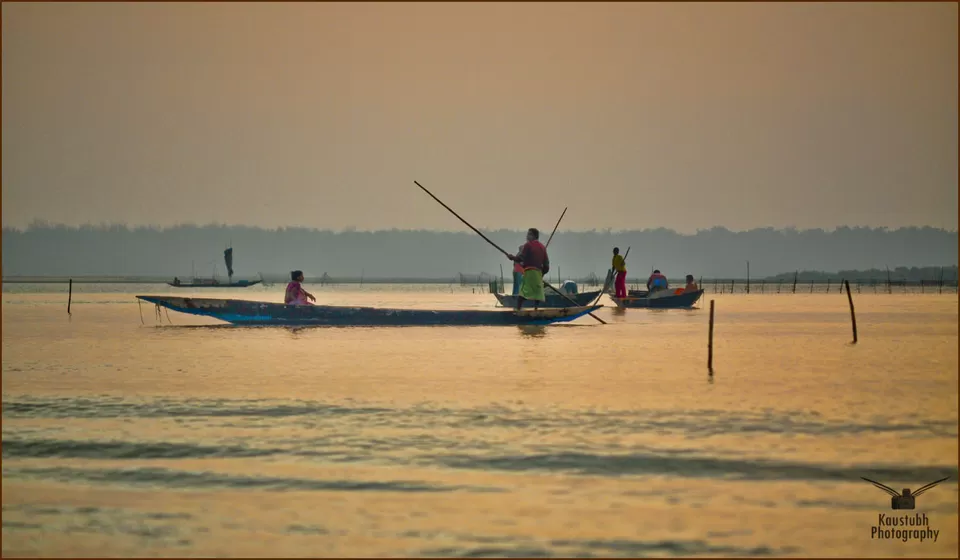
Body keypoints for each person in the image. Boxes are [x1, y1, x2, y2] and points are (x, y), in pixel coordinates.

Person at [506, 228, 549, 311]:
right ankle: (536, 310)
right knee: (537, 293)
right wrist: (542, 273)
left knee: (523, 293)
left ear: (533, 236)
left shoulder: (528, 245)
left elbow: (520, 258)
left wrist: (512, 258)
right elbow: (546, 265)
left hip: (529, 272)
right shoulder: (543, 247)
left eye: (529, 234)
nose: (527, 236)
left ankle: (518, 310)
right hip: (538, 273)